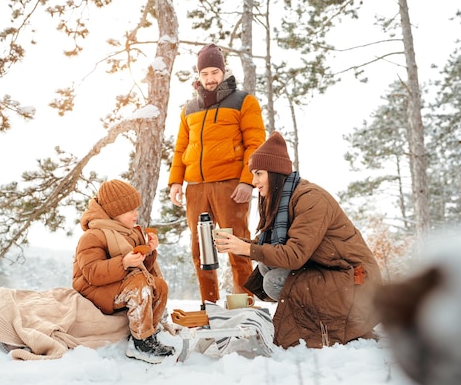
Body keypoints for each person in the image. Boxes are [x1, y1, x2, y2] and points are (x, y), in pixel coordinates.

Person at [214, 131, 382, 349]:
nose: (254, 181)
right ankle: (317, 321)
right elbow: (272, 247)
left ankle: (345, 325)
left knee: (273, 281)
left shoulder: (311, 199)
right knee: (267, 267)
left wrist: (247, 249)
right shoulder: (281, 198)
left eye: (258, 174)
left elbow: (294, 255)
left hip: (357, 280)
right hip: (329, 271)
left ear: (274, 173)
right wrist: (237, 244)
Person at [168, 43, 266, 306]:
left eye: (214, 72)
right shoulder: (189, 108)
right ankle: (209, 305)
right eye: (205, 73)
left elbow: (255, 143)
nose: (210, 78)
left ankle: (243, 307)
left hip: (230, 186)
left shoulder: (244, 101)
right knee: (200, 250)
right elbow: (181, 148)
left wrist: (248, 182)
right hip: (196, 187)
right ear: (198, 76)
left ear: (223, 72)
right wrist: (176, 182)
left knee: (237, 247)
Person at [72, 179, 174, 364]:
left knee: (159, 285)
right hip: (94, 289)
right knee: (139, 286)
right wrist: (123, 263)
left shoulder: (131, 232)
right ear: (114, 212)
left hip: (120, 283)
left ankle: (151, 330)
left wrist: (149, 251)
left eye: (136, 208)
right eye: (130, 210)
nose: (136, 214)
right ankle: (141, 343)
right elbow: (92, 272)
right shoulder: (93, 235)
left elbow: (145, 270)